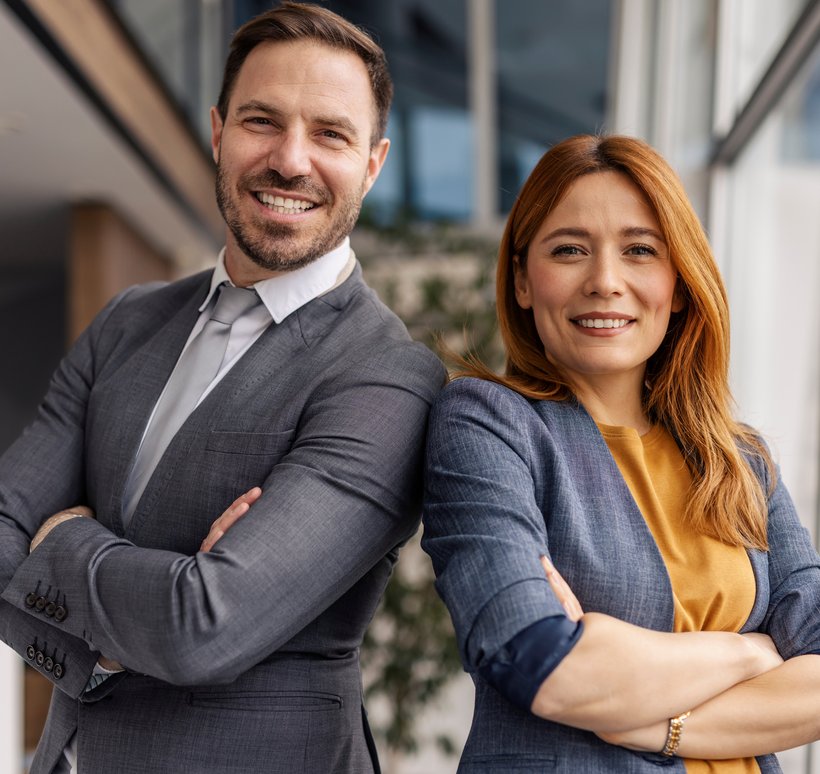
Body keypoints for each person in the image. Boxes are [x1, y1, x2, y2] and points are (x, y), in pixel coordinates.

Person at [0, 3, 444, 773]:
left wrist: (59, 540)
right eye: (261, 121)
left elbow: (202, 626)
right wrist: (115, 640)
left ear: (373, 164)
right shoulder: (127, 321)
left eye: (330, 134)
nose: (290, 159)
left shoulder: (388, 377)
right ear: (217, 131)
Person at [421, 134, 820, 773]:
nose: (605, 282)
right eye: (569, 250)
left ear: (681, 282)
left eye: (640, 251)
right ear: (522, 279)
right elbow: (541, 666)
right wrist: (749, 655)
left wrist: (648, 714)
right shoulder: (489, 425)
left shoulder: (741, 461)